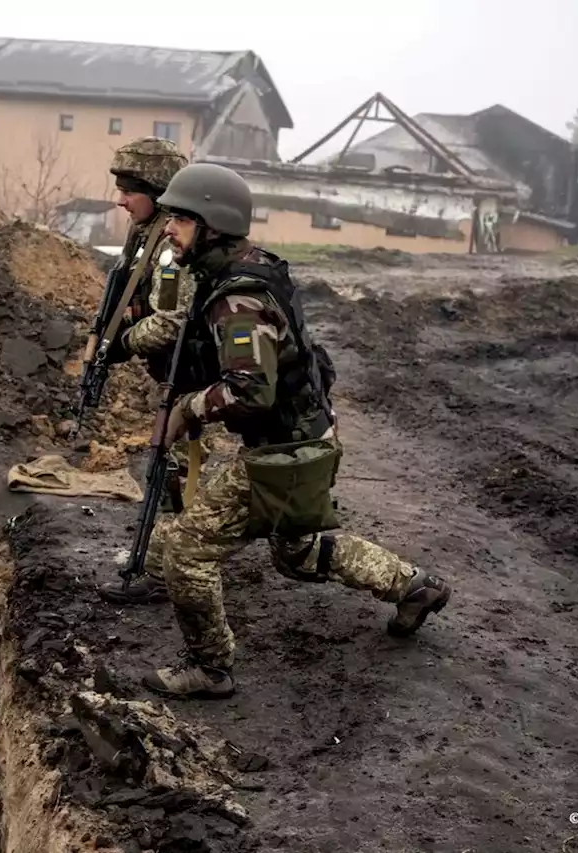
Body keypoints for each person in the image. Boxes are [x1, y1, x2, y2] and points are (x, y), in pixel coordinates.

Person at [134, 162, 453, 700]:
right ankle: (414, 587)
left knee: (188, 550)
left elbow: (249, 391)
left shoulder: (239, 299)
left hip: (286, 447)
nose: (169, 230)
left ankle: (209, 668)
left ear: (211, 224)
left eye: (181, 221)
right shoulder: (244, 270)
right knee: (297, 549)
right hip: (306, 437)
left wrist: (187, 408)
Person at [95, 137, 210, 606]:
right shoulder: (147, 237)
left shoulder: (168, 248)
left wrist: (122, 342)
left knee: (173, 474)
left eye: (130, 189)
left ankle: (168, 571)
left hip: (192, 378)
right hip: (180, 376)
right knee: (172, 473)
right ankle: (170, 563)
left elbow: (172, 321)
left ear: (158, 191)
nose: (121, 199)